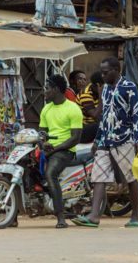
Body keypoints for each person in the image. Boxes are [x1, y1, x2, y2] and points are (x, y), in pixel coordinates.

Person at [72, 57, 138, 228]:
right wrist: (97, 140)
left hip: (125, 139)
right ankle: (94, 216)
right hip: (106, 139)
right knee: (98, 176)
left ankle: (135, 214)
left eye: (106, 73)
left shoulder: (129, 88)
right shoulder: (105, 89)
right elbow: (104, 117)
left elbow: (136, 115)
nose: (103, 76)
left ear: (116, 70)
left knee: (130, 178)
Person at [39, 75, 83, 228]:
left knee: (50, 174)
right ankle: (13, 217)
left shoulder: (73, 109)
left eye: (47, 88)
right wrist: (43, 144)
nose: (45, 92)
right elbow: (42, 133)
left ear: (56, 90)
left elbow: (75, 138)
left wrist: (54, 149)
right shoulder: (46, 109)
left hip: (65, 150)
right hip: (50, 150)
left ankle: (60, 217)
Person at [77, 71, 104, 143]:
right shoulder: (85, 94)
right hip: (82, 131)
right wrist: (101, 96)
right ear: (99, 85)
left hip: (92, 126)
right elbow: (95, 115)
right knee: (102, 125)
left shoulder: (97, 92)